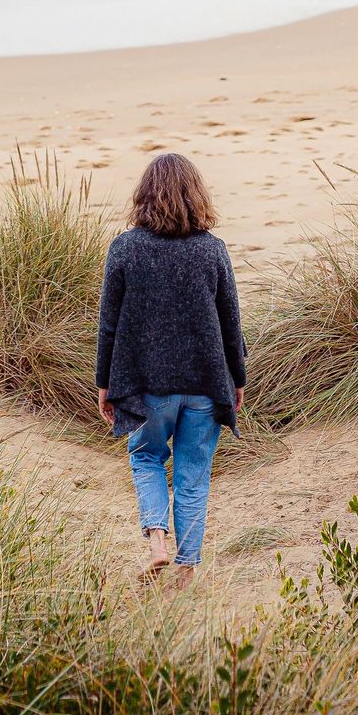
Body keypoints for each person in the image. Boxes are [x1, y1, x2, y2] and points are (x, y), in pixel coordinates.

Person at [95, 150, 247, 586]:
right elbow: (230, 322)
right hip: (205, 382)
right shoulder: (212, 250)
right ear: (196, 196)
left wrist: (104, 383)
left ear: (145, 195)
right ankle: (186, 570)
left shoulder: (125, 248)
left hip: (146, 385)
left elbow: (109, 322)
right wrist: (237, 380)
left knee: (146, 458)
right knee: (193, 476)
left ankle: (158, 543)